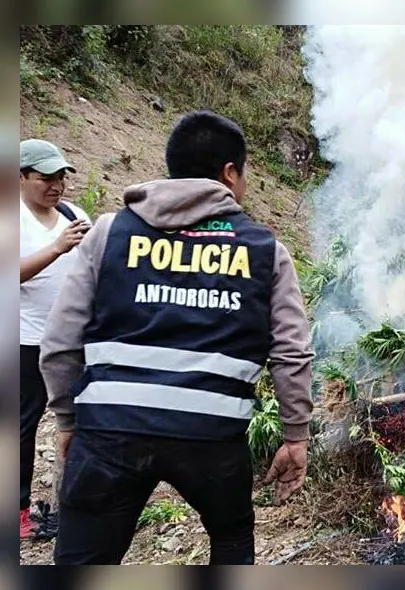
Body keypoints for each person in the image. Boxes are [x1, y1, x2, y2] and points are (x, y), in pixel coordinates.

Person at [39, 110, 315, 565]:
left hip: (111, 430)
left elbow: (60, 339)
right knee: (230, 540)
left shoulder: (110, 233)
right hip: (211, 437)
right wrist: (295, 435)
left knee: (82, 560)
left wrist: (68, 419)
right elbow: (291, 352)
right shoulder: (266, 251)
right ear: (230, 173)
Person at [19, 139, 93, 541]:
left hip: (72, 340)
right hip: (24, 340)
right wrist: (56, 248)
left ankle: (75, 505)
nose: (56, 186)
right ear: (19, 177)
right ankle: (17, 513)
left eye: (61, 178)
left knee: (80, 421)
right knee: (21, 428)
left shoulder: (73, 214)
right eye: (46, 178)